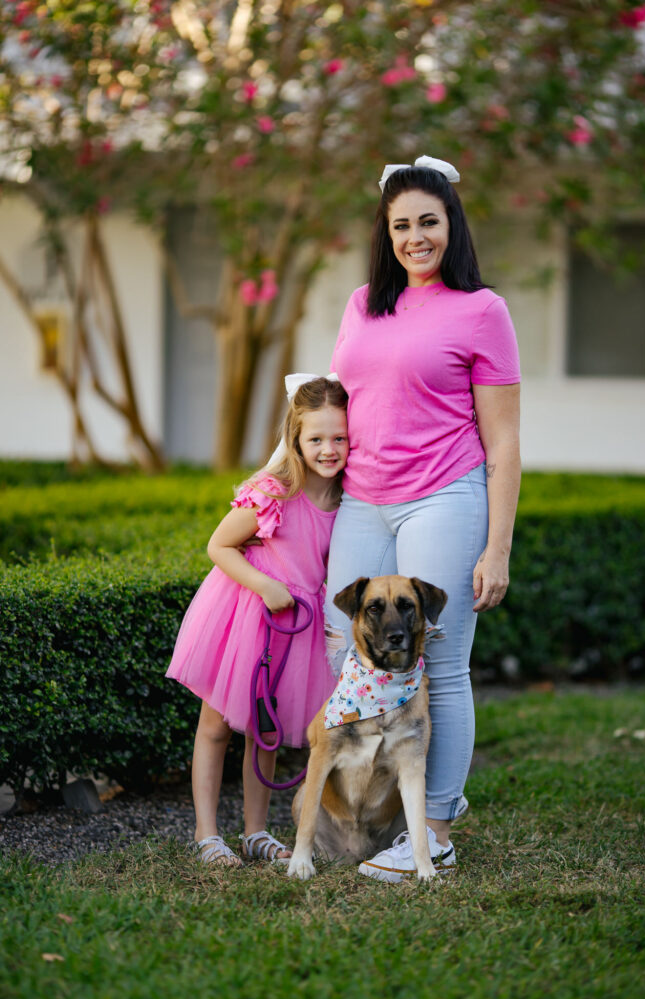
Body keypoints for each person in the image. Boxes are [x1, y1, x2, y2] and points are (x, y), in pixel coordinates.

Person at [324, 155, 521, 882]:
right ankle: (371, 807)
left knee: (438, 658)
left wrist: (495, 548)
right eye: (401, 224)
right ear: (386, 231)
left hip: (444, 495)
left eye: (427, 222)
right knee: (337, 639)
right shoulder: (360, 304)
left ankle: (433, 825)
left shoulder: (481, 311)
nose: (415, 237)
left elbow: (502, 439)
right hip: (364, 498)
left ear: (450, 226)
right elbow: (337, 406)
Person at [167, 376, 349, 867]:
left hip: (298, 626)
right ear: (295, 439)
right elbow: (218, 545)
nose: (329, 449)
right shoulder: (275, 492)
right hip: (247, 613)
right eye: (316, 439)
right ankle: (207, 833)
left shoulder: (348, 502)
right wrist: (266, 586)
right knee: (216, 725)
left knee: (264, 728)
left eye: (339, 438)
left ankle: (255, 831)